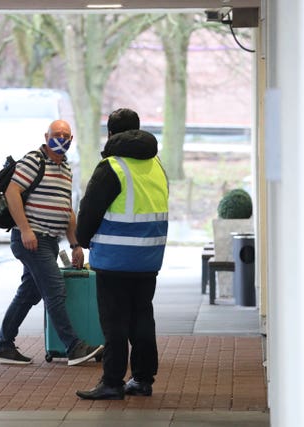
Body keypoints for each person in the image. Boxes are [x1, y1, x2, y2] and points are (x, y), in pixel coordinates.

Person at [0, 119, 103, 366]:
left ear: (71, 140)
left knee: (28, 294)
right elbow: (12, 192)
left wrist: (75, 245)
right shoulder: (34, 160)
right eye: (56, 134)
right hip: (32, 239)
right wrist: (25, 229)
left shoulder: (65, 168)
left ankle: (3, 345)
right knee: (55, 290)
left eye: (65, 135)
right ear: (46, 136)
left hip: (49, 241)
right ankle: (74, 347)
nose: (61, 138)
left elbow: (67, 210)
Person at [75, 108, 168, 400]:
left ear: (111, 134)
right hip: (148, 259)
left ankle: (112, 382)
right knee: (142, 318)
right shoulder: (156, 165)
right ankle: (142, 379)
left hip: (114, 260)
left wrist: (82, 239)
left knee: (114, 322)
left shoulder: (112, 167)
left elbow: (90, 210)